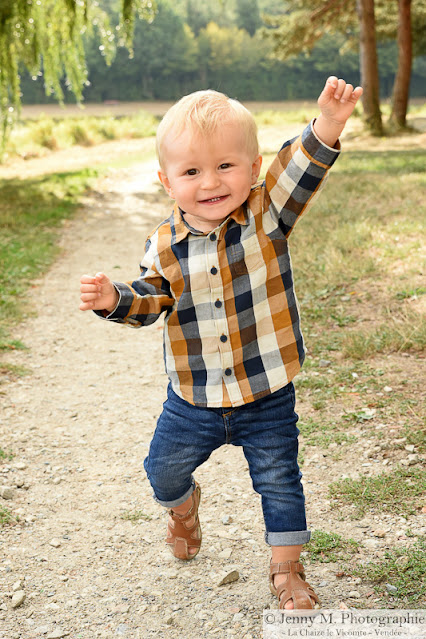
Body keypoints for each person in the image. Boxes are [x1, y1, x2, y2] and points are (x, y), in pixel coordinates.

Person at [80, 76, 363, 610]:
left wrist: (329, 121)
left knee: (280, 481)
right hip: (194, 399)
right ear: (167, 181)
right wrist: (112, 298)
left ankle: (287, 571)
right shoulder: (164, 245)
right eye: (191, 171)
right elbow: (151, 299)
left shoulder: (267, 211)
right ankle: (183, 509)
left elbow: (303, 164)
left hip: (267, 391)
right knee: (161, 472)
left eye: (226, 166)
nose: (210, 182)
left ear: (254, 168)